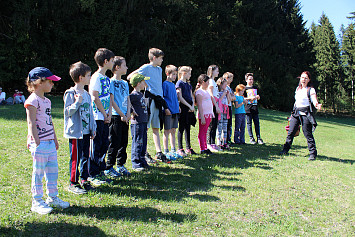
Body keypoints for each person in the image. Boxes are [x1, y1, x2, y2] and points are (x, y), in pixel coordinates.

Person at [24, 67, 69, 214]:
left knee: (52, 171)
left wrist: (54, 139)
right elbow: (31, 122)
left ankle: (53, 197)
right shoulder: (32, 101)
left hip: (49, 142)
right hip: (40, 143)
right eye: (50, 81)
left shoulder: (47, 101)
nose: (52, 84)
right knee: (38, 173)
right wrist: (36, 142)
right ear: (39, 82)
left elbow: (49, 121)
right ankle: (36, 201)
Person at [128, 48, 170, 163]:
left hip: (158, 100)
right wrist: (143, 82)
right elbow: (131, 76)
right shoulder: (146, 67)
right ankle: (144, 152)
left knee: (156, 127)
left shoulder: (159, 69)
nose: (162, 60)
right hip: (148, 99)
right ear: (154, 58)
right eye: (161, 58)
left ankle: (159, 152)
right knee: (145, 126)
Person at [64, 62, 97, 194]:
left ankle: (84, 179)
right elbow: (67, 112)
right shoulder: (70, 93)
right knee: (75, 158)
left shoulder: (87, 95)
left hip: (86, 132)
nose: (90, 78)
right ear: (80, 77)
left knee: (85, 156)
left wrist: (93, 127)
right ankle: (73, 182)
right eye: (88, 75)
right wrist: (77, 102)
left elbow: (91, 113)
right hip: (76, 133)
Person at [280, 71, 322, 160]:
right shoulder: (298, 89)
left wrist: (317, 105)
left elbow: (314, 100)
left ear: (309, 80)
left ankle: (312, 154)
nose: (303, 79)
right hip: (296, 114)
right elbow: (296, 102)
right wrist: (292, 113)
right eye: (302, 78)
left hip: (305, 114)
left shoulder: (311, 89)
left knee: (307, 133)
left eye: (306, 78)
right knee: (290, 132)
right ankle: (285, 150)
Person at [88, 48, 115, 184]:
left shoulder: (107, 79)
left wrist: (109, 113)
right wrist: (104, 114)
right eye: (111, 60)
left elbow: (109, 97)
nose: (113, 63)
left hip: (105, 117)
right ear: (106, 61)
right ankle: (92, 173)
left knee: (105, 143)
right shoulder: (96, 77)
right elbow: (95, 97)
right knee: (96, 145)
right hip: (97, 117)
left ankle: (100, 170)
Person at [105, 56, 132, 178]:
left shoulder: (125, 83)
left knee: (123, 142)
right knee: (114, 142)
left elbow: (127, 99)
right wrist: (121, 114)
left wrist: (128, 114)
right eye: (124, 65)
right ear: (117, 67)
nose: (126, 67)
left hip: (125, 118)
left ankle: (120, 165)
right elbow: (112, 101)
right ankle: (109, 166)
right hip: (116, 117)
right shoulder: (110, 82)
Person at [128, 74, 150, 171]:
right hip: (136, 123)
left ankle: (142, 159)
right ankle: (136, 163)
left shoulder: (141, 94)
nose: (145, 83)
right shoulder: (133, 95)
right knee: (137, 142)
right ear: (138, 83)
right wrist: (131, 111)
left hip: (143, 122)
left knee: (143, 142)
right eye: (143, 82)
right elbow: (126, 104)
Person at [162, 65, 182, 160]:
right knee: (167, 131)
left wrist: (178, 107)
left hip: (175, 111)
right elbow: (164, 98)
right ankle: (166, 151)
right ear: (167, 74)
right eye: (173, 74)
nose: (175, 76)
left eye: (176, 74)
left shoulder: (173, 85)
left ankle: (173, 149)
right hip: (168, 111)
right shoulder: (165, 84)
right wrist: (166, 109)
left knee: (173, 130)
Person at [175, 66, 196, 156]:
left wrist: (192, 105)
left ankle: (188, 147)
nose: (190, 75)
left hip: (189, 107)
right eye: (189, 73)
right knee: (182, 127)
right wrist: (188, 106)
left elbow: (191, 96)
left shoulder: (188, 84)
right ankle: (180, 148)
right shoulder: (179, 83)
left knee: (188, 127)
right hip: (183, 107)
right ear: (184, 73)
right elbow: (180, 97)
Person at [195, 74, 217, 155]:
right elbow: (199, 105)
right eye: (207, 82)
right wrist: (202, 116)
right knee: (202, 132)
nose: (208, 84)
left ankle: (205, 147)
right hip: (203, 115)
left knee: (205, 131)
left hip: (208, 114)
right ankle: (203, 148)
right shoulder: (199, 92)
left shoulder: (206, 91)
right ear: (203, 82)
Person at [244, 73, 264, 145]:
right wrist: (250, 98)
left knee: (257, 123)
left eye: (252, 79)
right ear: (246, 80)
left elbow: (258, 96)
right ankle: (251, 138)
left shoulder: (255, 88)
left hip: (255, 108)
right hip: (248, 108)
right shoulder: (244, 88)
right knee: (249, 123)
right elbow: (243, 98)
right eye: (249, 79)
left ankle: (259, 138)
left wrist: (258, 97)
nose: (251, 80)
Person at [206, 65, 221, 152]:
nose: (218, 72)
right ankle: (209, 143)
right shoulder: (210, 81)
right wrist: (216, 106)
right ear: (212, 71)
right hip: (212, 104)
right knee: (211, 125)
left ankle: (212, 143)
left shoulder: (213, 81)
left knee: (214, 124)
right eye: (217, 71)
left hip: (215, 103)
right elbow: (211, 94)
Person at [216, 78, 231, 149]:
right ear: (221, 84)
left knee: (225, 126)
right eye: (225, 84)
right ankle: (219, 142)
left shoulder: (226, 91)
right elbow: (219, 100)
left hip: (226, 110)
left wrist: (228, 95)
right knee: (220, 126)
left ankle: (224, 141)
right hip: (220, 111)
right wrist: (223, 94)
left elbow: (229, 101)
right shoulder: (218, 92)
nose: (226, 85)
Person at [223, 72, 235, 145]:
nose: (232, 80)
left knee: (229, 123)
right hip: (226, 106)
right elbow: (230, 98)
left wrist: (231, 97)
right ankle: (226, 139)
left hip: (229, 106)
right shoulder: (225, 88)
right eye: (231, 78)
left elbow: (233, 97)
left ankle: (228, 138)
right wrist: (231, 97)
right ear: (227, 78)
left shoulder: (229, 88)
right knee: (226, 123)